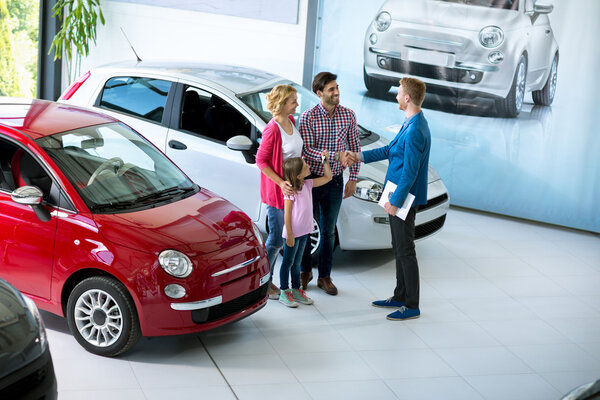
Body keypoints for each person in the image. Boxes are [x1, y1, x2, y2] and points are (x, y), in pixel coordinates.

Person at [346, 77, 431, 320]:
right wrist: (358, 156)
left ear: (407, 98)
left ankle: (411, 305)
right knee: (399, 247)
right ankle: (400, 295)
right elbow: (389, 151)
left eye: (399, 93)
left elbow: (410, 172)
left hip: (403, 197)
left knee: (405, 250)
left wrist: (396, 201)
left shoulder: (415, 130)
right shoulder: (411, 123)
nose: (395, 96)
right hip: (397, 194)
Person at [299, 72, 360, 295]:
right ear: (319, 93)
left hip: (335, 181)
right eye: (331, 89)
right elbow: (307, 150)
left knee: (328, 232)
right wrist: (333, 156)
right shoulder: (308, 117)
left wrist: (353, 177)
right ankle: (305, 271)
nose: (336, 93)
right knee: (305, 228)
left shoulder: (348, 115)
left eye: (337, 88)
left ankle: (325, 276)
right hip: (312, 181)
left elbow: (354, 148)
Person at [256, 84, 302, 299]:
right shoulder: (272, 129)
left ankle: (269, 280)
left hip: (293, 190)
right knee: (275, 239)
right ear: (283, 104)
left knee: (285, 236)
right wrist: (281, 182)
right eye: (293, 101)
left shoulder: (291, 121)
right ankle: (263, 280)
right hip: (277, 193)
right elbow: (261, 161)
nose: (297, 104)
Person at [278, 152, 332, 307]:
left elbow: (327, 177)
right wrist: (289, 234)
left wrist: (325, 161)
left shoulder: (307, 185)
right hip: (292, 234)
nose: (308, 166)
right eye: (305, 166)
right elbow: (287, 214)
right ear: (299, 175)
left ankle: (296, 289)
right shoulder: (290, 193)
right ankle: (284, 291)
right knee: (287, 263)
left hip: (304, 233)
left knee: (297, 264)